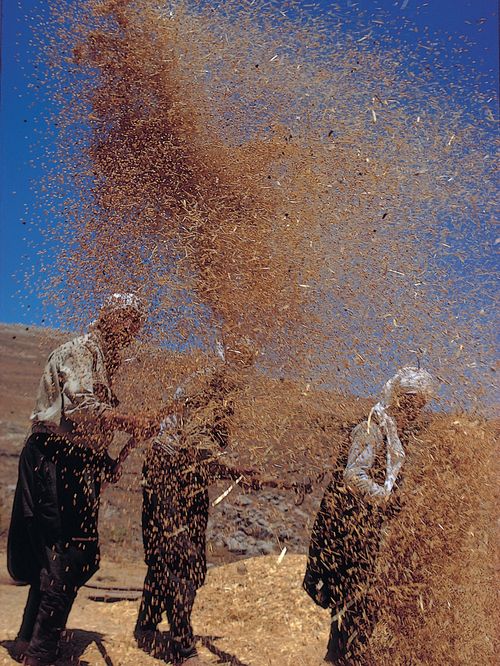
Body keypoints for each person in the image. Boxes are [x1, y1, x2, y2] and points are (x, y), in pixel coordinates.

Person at [7, 293, 158, 666]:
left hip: (76, 461)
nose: (131, 332)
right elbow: (82, 407)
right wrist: (130, 420)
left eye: (136, 325)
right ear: (108, 319)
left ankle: (29, 639)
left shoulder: (105, 362)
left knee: (76, 557)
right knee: (67, 555)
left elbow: (89, 426)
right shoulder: (80, 351)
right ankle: (40, 653)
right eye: (127, 322)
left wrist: (104, 460)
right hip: (52, 460)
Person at [135, 339, 262, 666]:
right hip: (167, 471)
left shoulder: (230, 394)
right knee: (181, 555)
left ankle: (146, 624)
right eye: (240, 355)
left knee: (185, 556)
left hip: (191, 477)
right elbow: (194, 441)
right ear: (227, 354)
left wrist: (236, 471)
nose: (245, 362)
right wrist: (233, 468)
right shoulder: (205, 384)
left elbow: (206, 456)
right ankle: (183, 647)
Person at [303, 367, 436, 664]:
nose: (415, 411)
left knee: (355, 613)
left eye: (420, 405)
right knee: (355, 611)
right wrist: (386, 498)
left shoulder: (395, 435)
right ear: (398, 399)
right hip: (346, 534)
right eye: (411, 403)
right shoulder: (371, 428)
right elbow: (353, 475)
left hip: (363, 534)